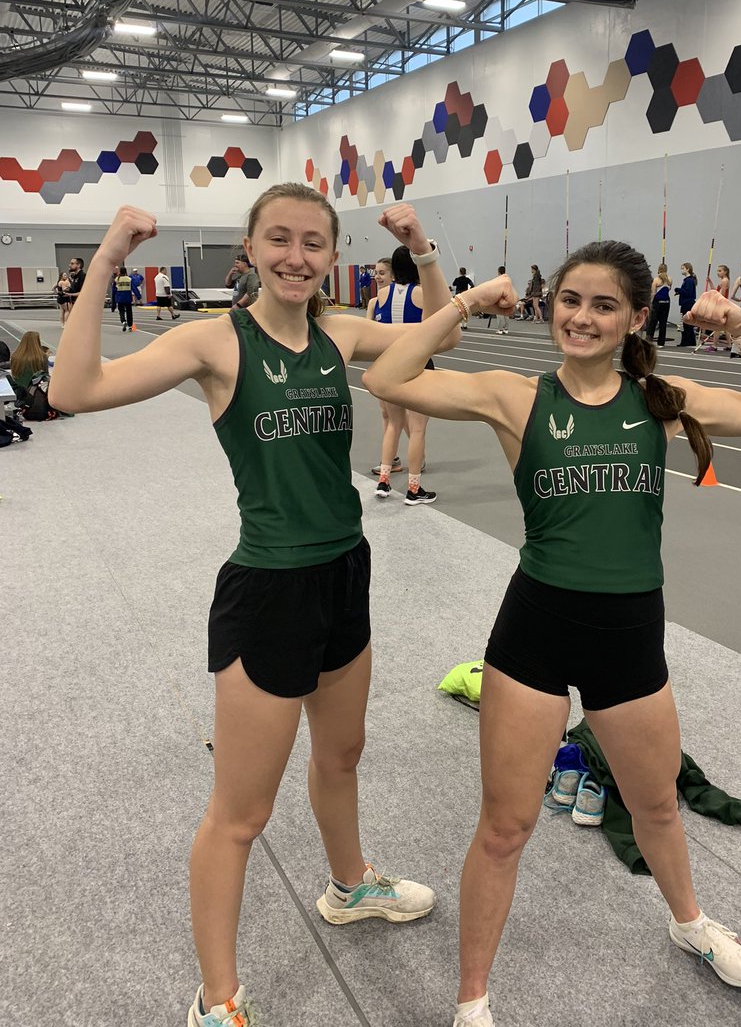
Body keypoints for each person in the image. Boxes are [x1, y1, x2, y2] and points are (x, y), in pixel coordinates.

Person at [364, 239, 741, 1027]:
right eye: (570, 300)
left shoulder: (659, 398)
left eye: (604, 305)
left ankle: (690, 924)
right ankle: (472, 1000)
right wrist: (464, 302)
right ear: (551, 305)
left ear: (635, 317)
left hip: (630, 634)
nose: (582, 317)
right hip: (536, 628)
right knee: (505, 826)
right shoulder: (515, 396)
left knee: (658, 806)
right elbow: (387, 378)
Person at [49, 188, 458, 1027]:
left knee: (343, 756)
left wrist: (421, 247)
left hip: (345, 573)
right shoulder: (214, 341)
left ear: (332, 255)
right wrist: (106, 259)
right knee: (240, 814)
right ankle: (216, 1001)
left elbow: (440, 337)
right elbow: (73, 388)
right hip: (268, 590)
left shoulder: (340, 331)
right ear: (250, 246)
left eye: (314, 243)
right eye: (280, 239)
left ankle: (349, 887)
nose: (297, 257)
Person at [369, 245, 437, 504]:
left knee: (393, 425)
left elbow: (372, 333)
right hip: (417, 368)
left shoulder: (380, 297)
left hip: (388, 368)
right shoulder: (422, 294)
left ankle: (384, 482)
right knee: (417, 430)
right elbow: (434, 332)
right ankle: (413, 488)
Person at [367, 257, 405, 479]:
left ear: (392, 276)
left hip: (400, 366)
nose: (378, 277)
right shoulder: (374, 302)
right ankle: (395, 458)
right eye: (376, 273)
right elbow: (368, 334)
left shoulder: (403, 299)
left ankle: (395, 459)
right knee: (386, 414)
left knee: (402, 417)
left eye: (382, 273)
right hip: (381, 365)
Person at [700, 265, 730, 351]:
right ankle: (729, 344)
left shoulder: (725, 281)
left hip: (722, 305)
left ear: (725, 272)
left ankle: (714, 345)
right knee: (725, 327)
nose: (718, 272)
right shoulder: (722, 281)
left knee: (717, 326)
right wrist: (710, 282)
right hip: (722, 304)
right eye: (717, 271)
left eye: (720, 271)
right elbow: (716, 291)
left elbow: (722, 295)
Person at [645, 263, 671, 347]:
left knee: (653, 322)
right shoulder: (670, 279)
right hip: (666, 303)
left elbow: (653, 293)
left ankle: (649, 340)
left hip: (657, 302)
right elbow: (668, 290)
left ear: (659, 269)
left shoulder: (656, 280)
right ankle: (661, 343)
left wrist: (650, 303)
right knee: (663, 323)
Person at [674, 262, 697, 347]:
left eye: (683, 268)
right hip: (687, 303)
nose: (681, 270)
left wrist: (678, 290)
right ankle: (691, 341)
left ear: (688, 269)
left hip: (687, 304)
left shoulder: (689, 281)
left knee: (685, 323)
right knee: (688, 323)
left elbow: (688, 292)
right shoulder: (688, 280)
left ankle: (685, 341)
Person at [62, 256, 85, 325]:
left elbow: (83, 292)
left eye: (72, 263)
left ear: (78, 265)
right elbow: (74, 289)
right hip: (74, 303)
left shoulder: (82, 276)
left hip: (81, 304)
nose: (69, 265)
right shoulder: (75, 276)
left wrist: (70, 294)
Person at [114, 264, 135, 332]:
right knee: (129, 312)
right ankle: (130, 326)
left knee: (121, 311)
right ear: (126, 271)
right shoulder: (129, 279)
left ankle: (123, 321)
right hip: (128, 298)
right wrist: (138, 296)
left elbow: (114, 290)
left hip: (120, 298)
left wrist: (114, 298)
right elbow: (134, 288)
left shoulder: (117, 279)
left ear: (120, 272)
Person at [494, 266, 510, 334]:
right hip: (506, 297)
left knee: (499, 313)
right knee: (506, 313)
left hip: (500, 297)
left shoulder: (499, 280)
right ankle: (506, 329)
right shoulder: (508, 279)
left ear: (499, 272)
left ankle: (500, 329)